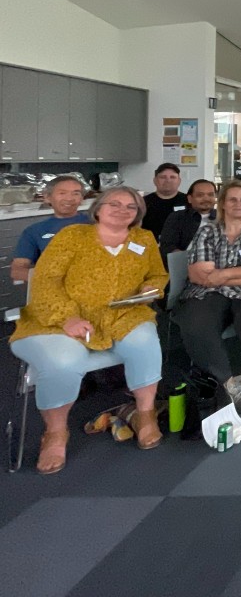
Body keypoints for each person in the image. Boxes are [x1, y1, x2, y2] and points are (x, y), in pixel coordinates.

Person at [10, 186, 168, 474]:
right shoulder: (72, 236)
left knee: (145, 341)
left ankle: (145, 414)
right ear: (98, 208)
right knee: (65, 361)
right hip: (58, 320)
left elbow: (157, 274)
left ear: (138, 214)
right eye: (114, 204)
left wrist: (151, 288)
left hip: (123, 315)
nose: (122, 210)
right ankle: (55, 433)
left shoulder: (143, 239)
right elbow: (45, 282)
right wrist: (67, 317)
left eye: (130, 207)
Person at [175, 181, 241, 411]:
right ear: (222, 203)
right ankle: (229, 385)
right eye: (232, 199)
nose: (238, 204)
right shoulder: (207, 231)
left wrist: (221, 274)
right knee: (195, 324)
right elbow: (199, 275)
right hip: (208, 291)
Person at [11, 176, 90, 283]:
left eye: (76, 193)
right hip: (54, 289)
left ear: (81, 198)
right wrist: (54, 280)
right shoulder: (34, 231)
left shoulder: (96, 224)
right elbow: (17, 270)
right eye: (62, 193)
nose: (69, 198)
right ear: (48, 197)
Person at [158, 179, 217, 260]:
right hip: (184, 264)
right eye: (200, 195)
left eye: (211, 195)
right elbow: (167, 247)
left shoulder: (223, 218)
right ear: (189, 198)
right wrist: (188, 260)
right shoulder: (177, 217)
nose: (206, 199)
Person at [142, 162, 187, 240]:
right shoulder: (143, 202)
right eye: (163, 177)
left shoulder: (189, 201)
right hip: (150, 247)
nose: (168, 180)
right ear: (155, 180)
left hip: (180, 249)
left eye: (172, 177)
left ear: (179, 181)